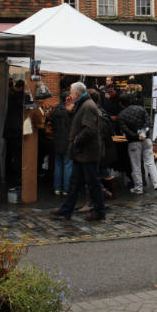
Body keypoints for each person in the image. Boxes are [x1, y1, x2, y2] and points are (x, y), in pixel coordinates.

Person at [51, 82, 106, 221]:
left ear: (76, 94)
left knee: (93, 183)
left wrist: (77, 140)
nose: (69, 95)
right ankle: (66, 210)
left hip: (87, 153)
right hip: (82, 153)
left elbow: (90, 129)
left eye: (71, 93)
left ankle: (99, 211)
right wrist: (70, 111)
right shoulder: (82, 105)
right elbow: (78, 123)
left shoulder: (87, 106)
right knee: (75, 183)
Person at [117, 92, 157, 195]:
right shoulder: (141, 109)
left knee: (136, 165)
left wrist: (135, 136)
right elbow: (148, 123)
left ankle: (138, 187)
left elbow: (125, 130)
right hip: (146, 139)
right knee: (150, 163)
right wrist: (143, 132)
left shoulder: (121, 115)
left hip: (133, 143)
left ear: (121, 103)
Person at [49, 92, 73, 196]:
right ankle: (66, 189)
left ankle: (57, 188)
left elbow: (51, 125)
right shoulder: (70, 111)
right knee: (67, 165)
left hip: (57, 140)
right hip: (67, 140)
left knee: (58, 165)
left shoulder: (55, 111)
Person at [4, 80, 25, 185]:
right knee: (17, 154)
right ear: (21, 88)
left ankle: (8, 175)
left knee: (9, 153)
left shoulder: (8, 94)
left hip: (9, 128)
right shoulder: (18, 96)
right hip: (16, 129)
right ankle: (16, 177)